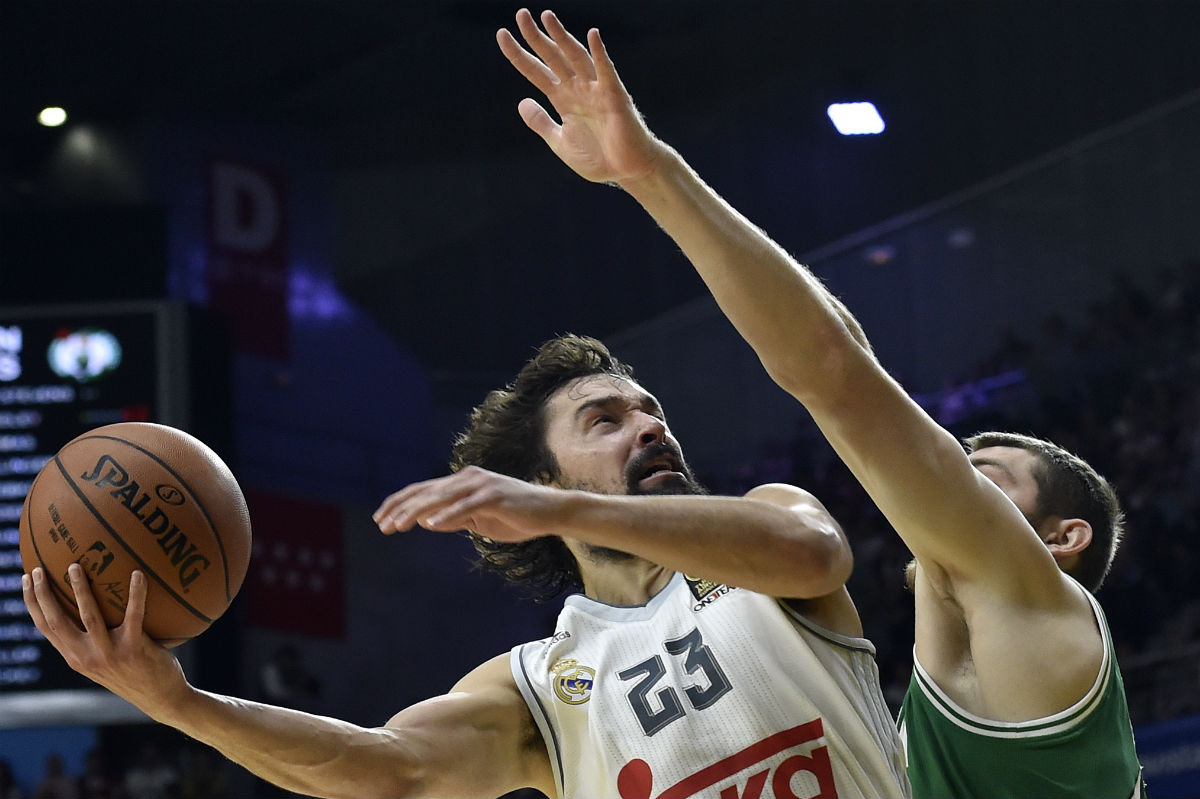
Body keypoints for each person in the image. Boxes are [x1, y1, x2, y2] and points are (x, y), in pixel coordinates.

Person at [493, 8, 1146, 798]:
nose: (954, 477)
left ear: (1061, 536)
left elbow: (835, 368)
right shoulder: (935, 717)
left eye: (989, 476)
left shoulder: (1035, 612)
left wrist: (650, 173)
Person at [23, 328, 908, 798]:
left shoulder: (768, 524)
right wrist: (179, 704)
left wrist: (566, 506)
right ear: (534, 478)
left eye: (651, 411)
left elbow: (813, 555)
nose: (649, 426)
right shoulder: (540, 682)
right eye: (604, 419)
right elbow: (386, 769)